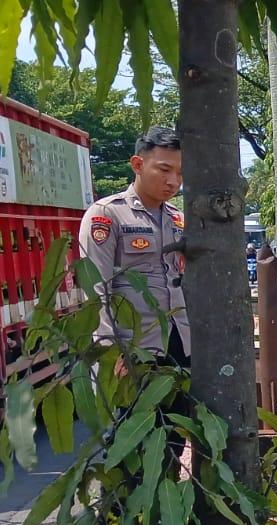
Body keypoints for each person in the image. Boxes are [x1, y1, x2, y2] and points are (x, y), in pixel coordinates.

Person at [80, 125, 189, 366]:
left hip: (179, 343)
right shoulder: (107, 214)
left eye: (180, 173)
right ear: (138, 165)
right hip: (134, 348)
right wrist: (110, 353)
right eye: (164, 170)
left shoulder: (177, 219)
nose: (173, 181)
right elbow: (96, 289)